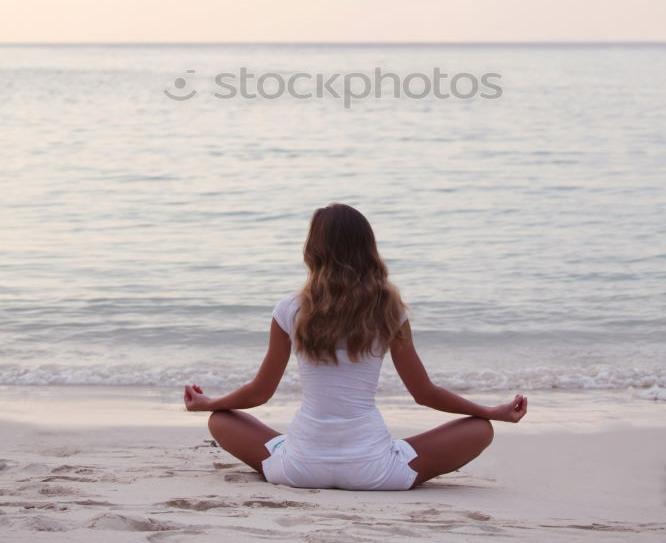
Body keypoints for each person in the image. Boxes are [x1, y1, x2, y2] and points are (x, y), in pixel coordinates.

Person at [184, 202, 527, 490]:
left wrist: (208, 404)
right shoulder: (389, 310)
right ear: (368, 248)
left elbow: (260, 393)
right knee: (478, 429)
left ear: (312, 249)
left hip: (299, 468)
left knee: (221, 420)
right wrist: (490, 412)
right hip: (374, 470)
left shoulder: (289, 309)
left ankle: (296, 452)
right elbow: (424, 393)